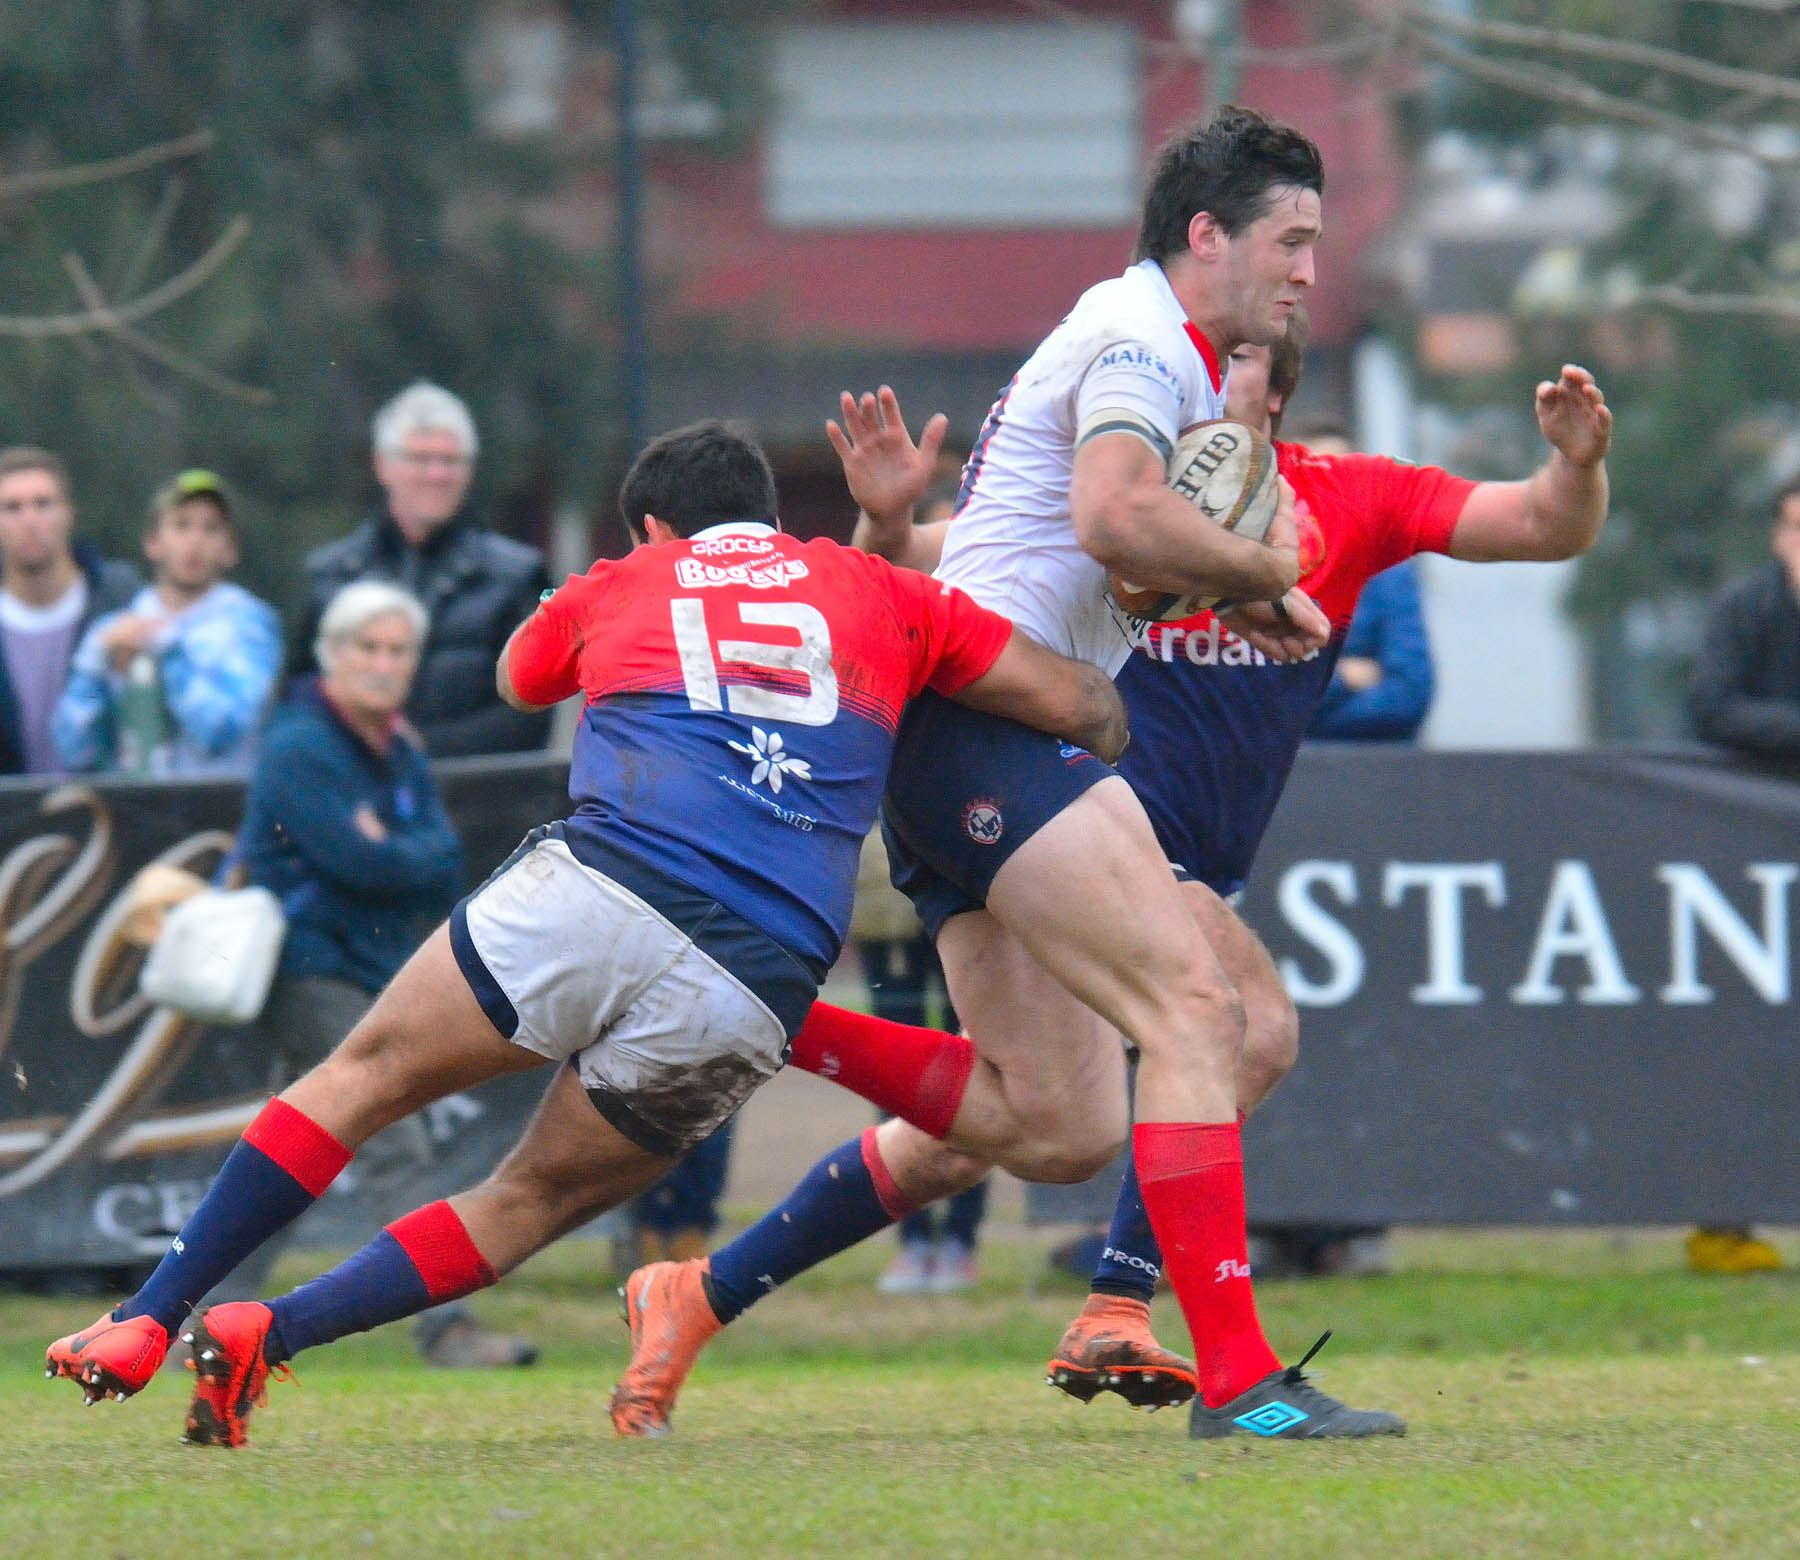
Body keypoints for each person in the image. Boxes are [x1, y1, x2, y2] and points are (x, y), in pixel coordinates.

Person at [42, 418, 1128, 1449]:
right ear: (766, 511)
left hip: (603, 886)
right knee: (530, 1202)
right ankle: (270, 1335)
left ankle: (150, 1314)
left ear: (653, 526)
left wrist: (612, 593)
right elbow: (1080, 705)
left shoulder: (626, 577)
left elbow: (520, 678)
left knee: (361, 1079)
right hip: (758, 966)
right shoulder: (883, 590)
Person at [610, 106, 1414, 1444]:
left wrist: (1225, 584)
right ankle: (1240, 1383)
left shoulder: (1139, 338)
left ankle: (718, 1196)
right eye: (1292, 240)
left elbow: (1094, 548)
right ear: (1207, 235)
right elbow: (1113, 514)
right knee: (1205, 1016)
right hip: (994, 727)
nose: (1309, 270)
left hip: (958, 730)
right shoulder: (1142, 338)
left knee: (1055, 1123)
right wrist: (1268, 568)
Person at [778, 309, 1610, 1423]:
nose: (1194, 386)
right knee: (1240, 1026)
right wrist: (887, 521)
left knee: (1040, 1131)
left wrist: (1576, 465)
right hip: (1063, 820)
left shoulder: (1344, 499)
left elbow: (1544, 523)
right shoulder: (1114, 500)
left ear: (1274, 398)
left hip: (1113, 847)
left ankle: (706, 1270)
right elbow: (915, 574)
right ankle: (1160, 1329)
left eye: (1228, 369)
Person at [237, 579, 537, 1368]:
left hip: (374, 971)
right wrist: (392, 853)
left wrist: (390, 850)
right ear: (331, 656)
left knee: (287, 1154)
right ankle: (448, 1330)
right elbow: (361, 863)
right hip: (312, 969)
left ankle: (189, 1316)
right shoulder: (300, 747)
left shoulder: (399, 745)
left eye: (399, 650)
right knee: (394, 1140)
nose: (383, 663)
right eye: (368, 648)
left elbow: (440, 858)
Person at [1678, 475, 1800, 1275]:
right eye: (1794, 528)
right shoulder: (1747, 610)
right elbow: (1713, 706)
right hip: (1750, 865)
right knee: (1741, 1036)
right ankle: (1722, 1222)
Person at [296, 381, 552, 756]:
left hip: (482, 788)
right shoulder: (331, 575)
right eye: (420, 458)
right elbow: (298, 695)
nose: (437, 474)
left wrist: (418, 750)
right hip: (350, 786)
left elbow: (534, 710)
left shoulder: (518, 577)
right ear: (382, 465)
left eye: (450, 460)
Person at [52, 470, 282, 777]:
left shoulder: (250, 626)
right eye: (181, 525)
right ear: (152, 543)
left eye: (211, 528)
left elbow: (220, 730)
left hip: (221, 804)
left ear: (230, 550)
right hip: (133, 804)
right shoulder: (114, 630)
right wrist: (93, 668)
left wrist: (167, 650)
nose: (195, 541)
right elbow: (72, 750)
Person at [852, 828, 987, 1295]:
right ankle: (913, 1237)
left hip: (960, 893)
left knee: (973, 1069)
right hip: (882, 901)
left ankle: (960, 1238)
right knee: (896, 1076)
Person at [0, 447, 139, 775]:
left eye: (43, 504)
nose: (29, 520)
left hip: (111, 800)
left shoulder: (119, 599)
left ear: (68, 513)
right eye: (12, 508)